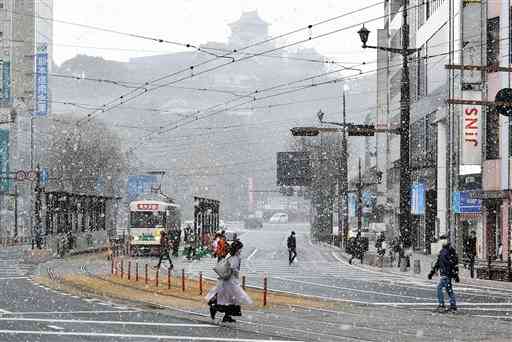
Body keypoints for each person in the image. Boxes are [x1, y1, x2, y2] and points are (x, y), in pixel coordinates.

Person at [207, 239, 252, 323]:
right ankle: (216, 309)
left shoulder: (230, 256)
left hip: (227, 281)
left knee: (229, 299)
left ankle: (225, 314)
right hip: (229, 281)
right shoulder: (235, 258)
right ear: (237, 249)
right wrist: (234, 273)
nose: (241, 251)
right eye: (240, 249)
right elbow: (232, 269)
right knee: (231, 299)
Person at [428, 235, 459, 313]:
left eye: (444, 239)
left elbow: (454, 263)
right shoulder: (444, 251)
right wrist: (432, 272)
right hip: (445, 273)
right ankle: (453, 306)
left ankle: (442, 305)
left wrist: (455, 274)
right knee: (449, 290)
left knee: (440, 288)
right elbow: (438, 263)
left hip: (446, 273)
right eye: (442, 239)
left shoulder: (449, 250)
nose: (442, 241)